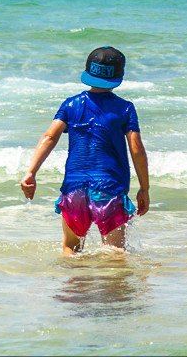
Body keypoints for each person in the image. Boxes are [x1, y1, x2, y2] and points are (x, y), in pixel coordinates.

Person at [20, 47, 150, 255]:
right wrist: (144, 188)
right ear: (118, 76)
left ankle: (75, 286)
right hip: (108, 189)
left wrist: (31, 172)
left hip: (74, 190)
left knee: (71, 247)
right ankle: (114, 287)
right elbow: (136, 149)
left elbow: (49, 137)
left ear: (88, 71)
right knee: (115, 250)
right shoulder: (125, 108)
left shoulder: (71, 105)